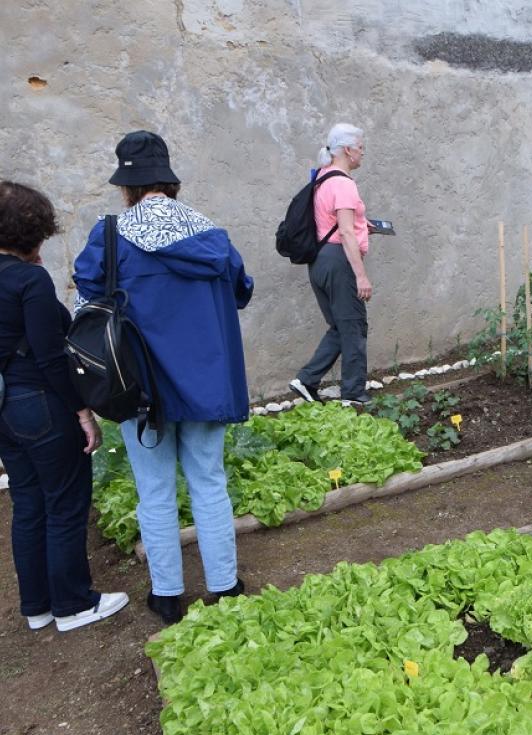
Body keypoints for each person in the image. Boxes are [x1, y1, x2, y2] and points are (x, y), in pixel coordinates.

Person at [73, 131, 254, 625]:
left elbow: (85, 304)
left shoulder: (108, 236)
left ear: (127, 185)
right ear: (168, 181)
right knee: (210, 482)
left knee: (154, 491)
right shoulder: (210, 234)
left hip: (137, 388)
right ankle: (225, 586)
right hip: (205, 385)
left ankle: (167, 595)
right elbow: (242, 290)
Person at [0, 180, 129, 632]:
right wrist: (82, 411)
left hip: (4, 408)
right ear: (34, 230)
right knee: (66, 502)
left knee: (29, 503)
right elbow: (51, 355)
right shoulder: (29, 280)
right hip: (40, 403)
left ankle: (37, 606)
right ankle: (74, 604)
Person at [289, 123, 374, 407]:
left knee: (339, 326)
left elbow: (336, 223)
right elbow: (346, 233)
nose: (363, 153)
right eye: (361, 147)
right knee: (354, 327)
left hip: (320, 261)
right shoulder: (344, 184)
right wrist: (361, 276)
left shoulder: (323, 178)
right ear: (348, 150)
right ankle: (353, 395)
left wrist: (364, 226)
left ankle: (307, 380)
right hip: (340, 262)